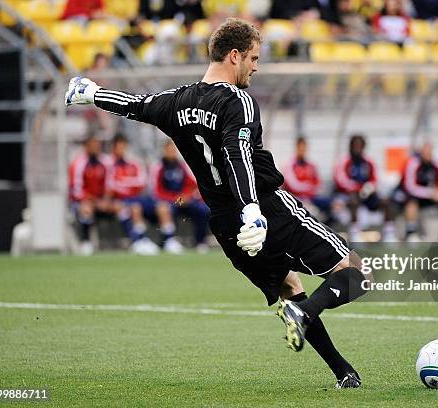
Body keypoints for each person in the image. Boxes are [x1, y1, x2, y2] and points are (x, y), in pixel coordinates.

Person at [65, 18, 367, 389]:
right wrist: (253, 211)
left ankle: (344, 373)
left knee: (289, 286)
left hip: (225, 225)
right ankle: (305, 313)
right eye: (253, 58)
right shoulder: (237, 100)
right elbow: (236, 153)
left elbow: (136, 106)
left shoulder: (176, 102)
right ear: (234, 55)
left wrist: (91, 93)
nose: (256, 66)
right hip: (266, 210)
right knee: (355, 275)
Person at [149, 140, 210, 253]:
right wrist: (176, 198)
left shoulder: (182, 166)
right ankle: (168, 240)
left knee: (202, 209)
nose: (171, 152)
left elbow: (193, 185)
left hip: (183, 200)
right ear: (164, 151)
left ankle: (200, 242)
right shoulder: (158, 167)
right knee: (165, 209)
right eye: (169, 150)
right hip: (167, 201)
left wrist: (186, 196)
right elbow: (156, 191)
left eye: (173, 150)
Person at [333, 134, 396, 242]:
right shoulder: (344, 161)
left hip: (366, 194)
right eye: (355, 146)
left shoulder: (368, 161)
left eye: (360, 146)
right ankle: (354, 233)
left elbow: (374, 179)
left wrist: (369, 187)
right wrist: (358, 188)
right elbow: (341, 181)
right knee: (353, 201)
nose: (357, 149)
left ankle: (389, 234)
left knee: (385, 202)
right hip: (349, 194)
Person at [106, 134, 160, 255]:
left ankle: (168, 240)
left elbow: (142, 182)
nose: (122, 149)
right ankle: (139, 240)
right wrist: (129, 183)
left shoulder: (134, 162)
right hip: (120, 199)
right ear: (114, 147)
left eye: (124, 146)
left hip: (136, 197)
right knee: (134, 208)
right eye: (119, 146)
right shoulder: (108, 163)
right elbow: (111, 184)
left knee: (162, 206)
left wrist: (123, 181)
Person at [395, 142, 438, 241]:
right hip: (416, 197)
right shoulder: (413, 163)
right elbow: (410, 187)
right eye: (425, 152)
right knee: (411, 204)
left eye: (430, 152)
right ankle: (411, 233)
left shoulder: (436, 164)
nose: (428, 154)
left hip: (432, 197)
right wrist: (429, 193)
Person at [68, 135, 109, 255]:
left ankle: (136, 240)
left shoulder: (104, 162)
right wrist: (95, 200)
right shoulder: (79, 164)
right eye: (94, 144)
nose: (97, 147)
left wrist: (106, 200)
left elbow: (109, 184)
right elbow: (76, 190)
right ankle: (86, 242)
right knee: (86, 208)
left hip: (99, 201)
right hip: (79, 202)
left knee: (124, 208)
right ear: (87, 146)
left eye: (98, 144)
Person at [282, 136, 333, 223]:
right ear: (296, 147)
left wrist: (310, 189)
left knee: (332, 204)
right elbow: (293, 185)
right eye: (300, 147)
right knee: (310, 211)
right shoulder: (289, 165)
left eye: (304, 148)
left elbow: (318, 184)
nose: (302, 150)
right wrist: (309, 186)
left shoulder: (311, 165)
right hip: (296, 198)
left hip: (311, 197)